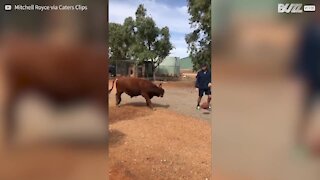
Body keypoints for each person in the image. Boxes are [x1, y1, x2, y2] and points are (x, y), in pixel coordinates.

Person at [294, 6, 320, 145]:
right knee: (306, 110)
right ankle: (300, 140)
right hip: (312, 77)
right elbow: (301, 53)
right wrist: (301, 73)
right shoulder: (309, 31)